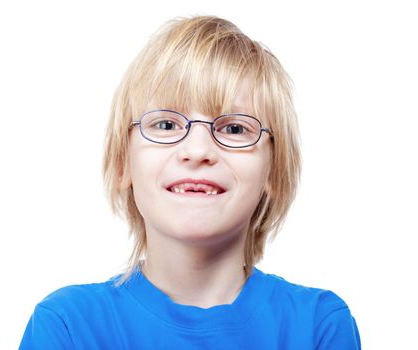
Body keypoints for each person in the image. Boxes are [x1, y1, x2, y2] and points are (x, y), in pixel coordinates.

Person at [20, 15, 361, 349]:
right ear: (124, 162)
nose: (198, 151)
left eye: (234, 128)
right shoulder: (67, 326)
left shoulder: (319, 325)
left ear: (272, 172)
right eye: (166, 125)